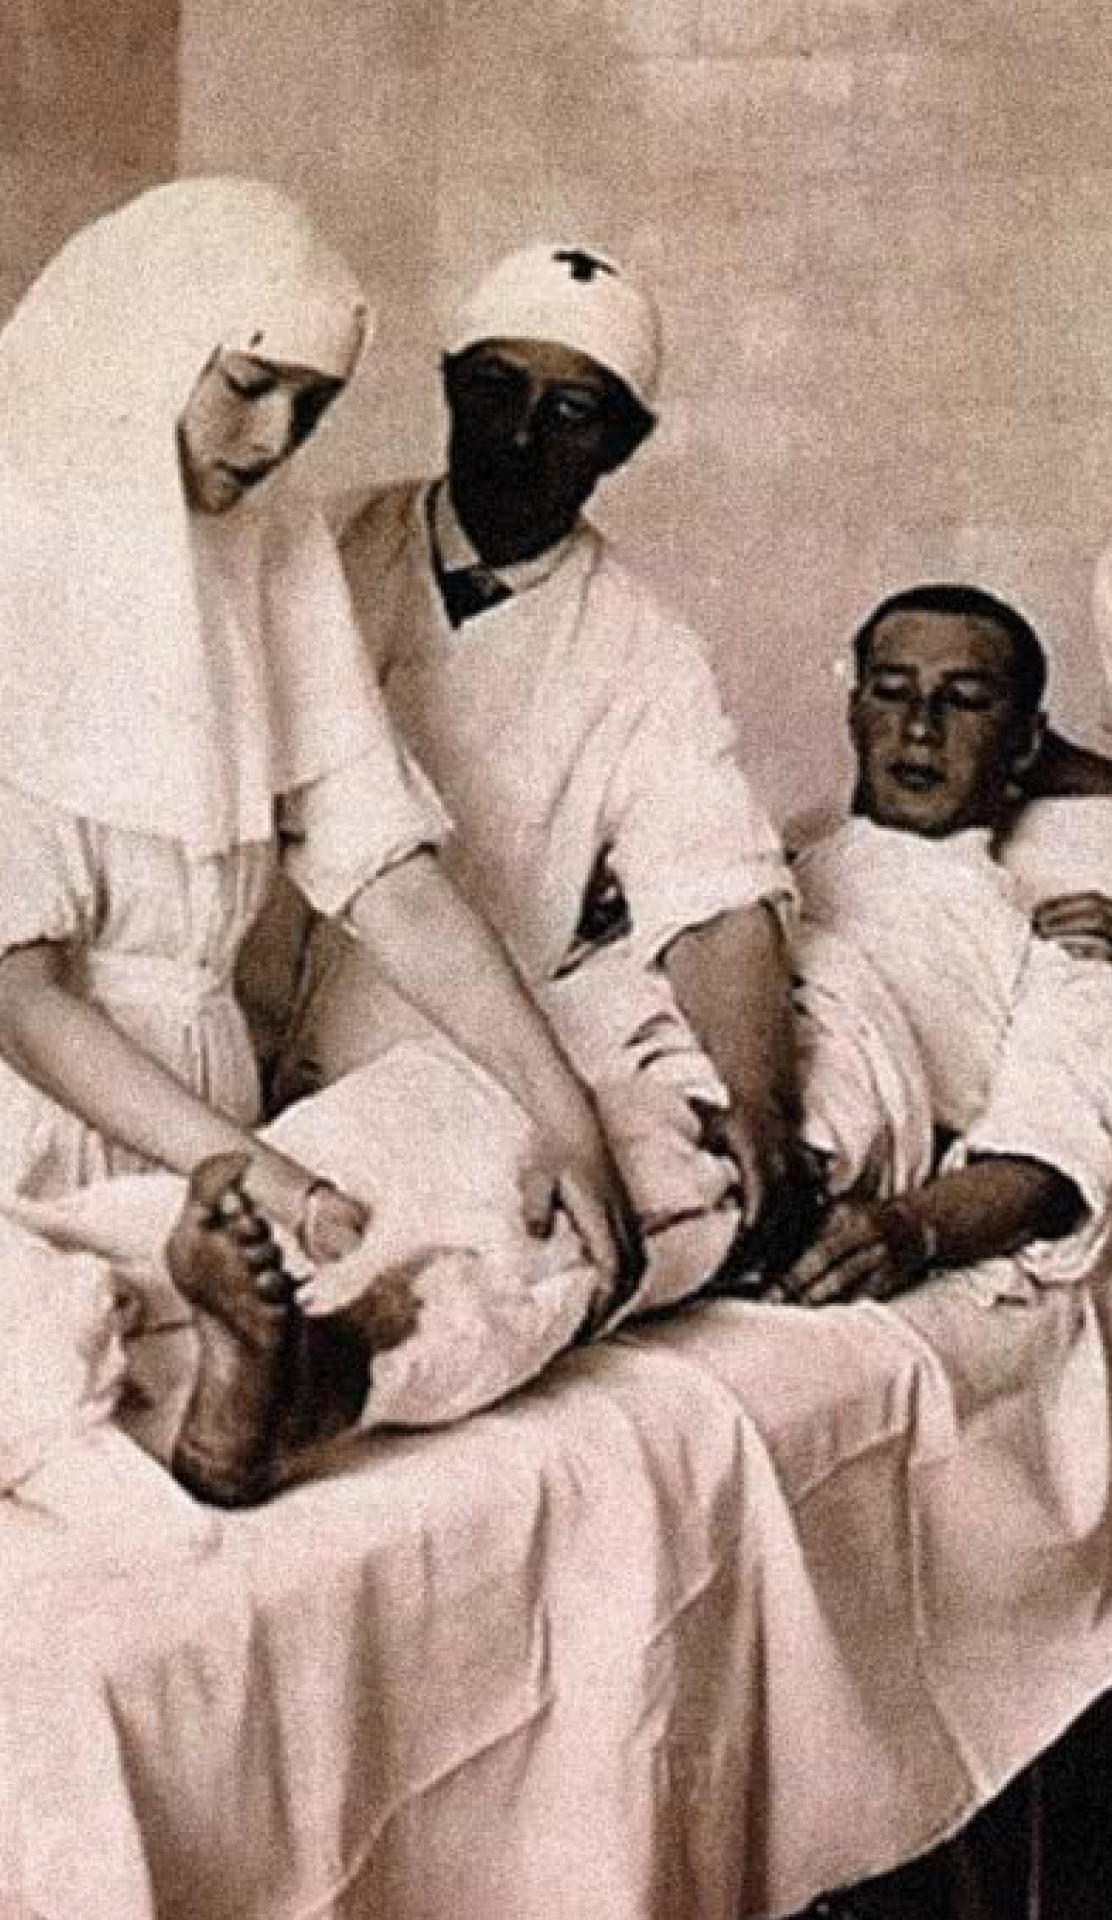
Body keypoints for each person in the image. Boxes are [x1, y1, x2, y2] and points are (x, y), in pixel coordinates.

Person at [0, 181, 638, 1495]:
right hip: (7, 1138)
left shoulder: (259, 551)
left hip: (213, 1149)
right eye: (249, 385)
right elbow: (15, 999)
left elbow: (385, 869)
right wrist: (264, 1178)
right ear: (143, 350)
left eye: (312, 405)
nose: (274, 438)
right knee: (29, 1407)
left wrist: (563, 1114)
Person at [275, 239, 801, 1256]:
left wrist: (760, 1105)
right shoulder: (314, 553)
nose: (519, 435)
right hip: (208, 1064)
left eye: (571, 412)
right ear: (447, 387)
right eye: (494, 390)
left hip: (412, 1105)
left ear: (624, 444)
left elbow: (714, 894)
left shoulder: (644, 651)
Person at [773, 583, 1112, 1306]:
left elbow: (1051, 1151)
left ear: (1027, 741)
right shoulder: (766, 866)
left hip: (805, 1134)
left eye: (963, 701)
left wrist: (911, 1228)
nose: (920, 728)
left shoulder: (1054, 935)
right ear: (854, 710)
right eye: (892, 692)